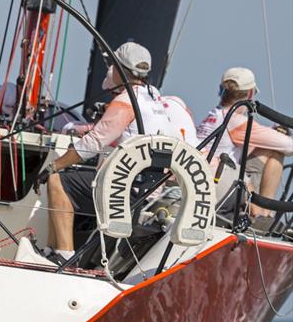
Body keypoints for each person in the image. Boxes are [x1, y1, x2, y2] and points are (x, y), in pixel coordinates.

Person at [35, 42, 197, 264]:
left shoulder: (125, 100)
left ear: (119, 70)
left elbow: (92, 143)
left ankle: (63, 252)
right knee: (69, 180)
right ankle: (52, 249)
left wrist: (54, 166)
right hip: (147, 185)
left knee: (57, 181)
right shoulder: (155, 97)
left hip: (123, 188)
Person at [196, 67, 292, 222]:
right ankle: (263, 216)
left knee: (263, 148)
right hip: (222, 185)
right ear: (250, 94)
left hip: (202, 178)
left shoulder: (214, 114)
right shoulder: (237, 123)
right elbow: (289, 146)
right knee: (275, 152)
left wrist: (271, 133)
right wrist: (279, 133)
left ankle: (259, 213)